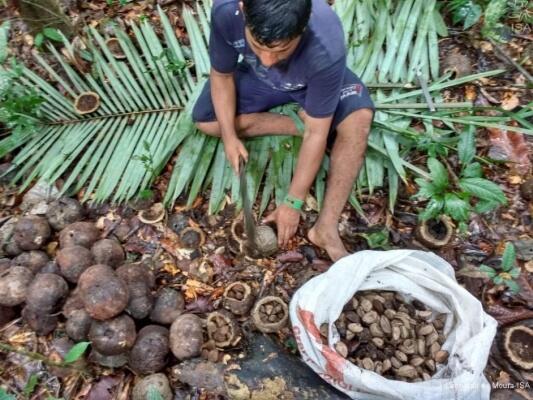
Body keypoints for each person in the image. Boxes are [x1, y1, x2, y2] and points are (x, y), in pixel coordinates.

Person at [192, 0, 374, 261]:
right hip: (259, 81)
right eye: (257, 46)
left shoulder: (325, 45)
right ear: (244, 10)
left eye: (282, 50)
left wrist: (293, 201)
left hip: (310, 82)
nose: (268, 60)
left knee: (359, 121)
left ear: (303, 28)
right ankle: (299, 123)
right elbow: (222, 76)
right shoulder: (226, 11)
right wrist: (230, 137)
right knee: (209, 121)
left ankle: (325, 227)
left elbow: (317, 135)